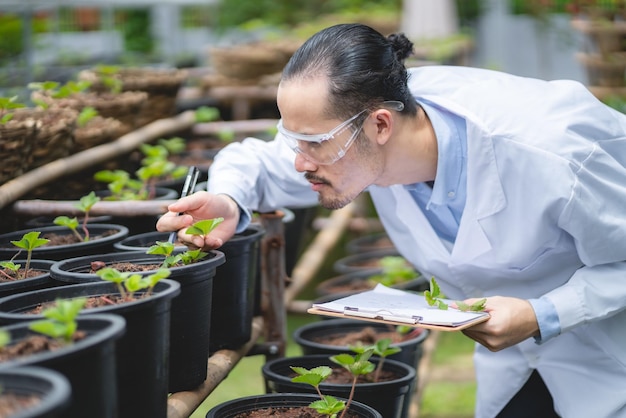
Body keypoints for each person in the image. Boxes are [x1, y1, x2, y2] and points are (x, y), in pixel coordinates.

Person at [157, 23, 626, 418]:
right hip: (515, 362)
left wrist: (544, 313)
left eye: (313, 142)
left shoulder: (554, 152)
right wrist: (228, 199)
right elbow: (255, 161)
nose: (299, 162)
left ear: (381, 125)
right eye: (292, 139)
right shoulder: (361, 128)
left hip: (608, 352)